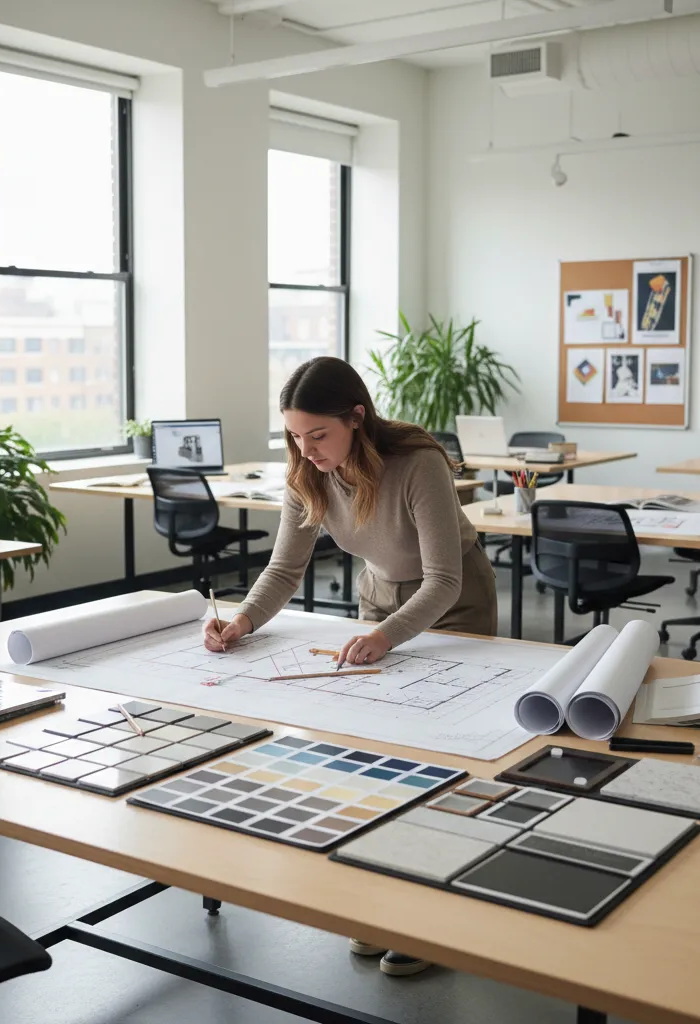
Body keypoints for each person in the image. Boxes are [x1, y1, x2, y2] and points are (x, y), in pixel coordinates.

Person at [203, 356, 498, 977]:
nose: (306, 450)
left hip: (453, 599)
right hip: (381, 596)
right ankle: (381, 903)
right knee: (376, 754)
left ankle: (432, 919)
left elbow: (443, 580)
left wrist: (386, 637)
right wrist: (242, 621)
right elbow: (285, 568)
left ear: (357, 418)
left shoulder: (417, 463)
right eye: (294, 436)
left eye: (318, 434)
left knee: (443, 756)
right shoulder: (307, 474)